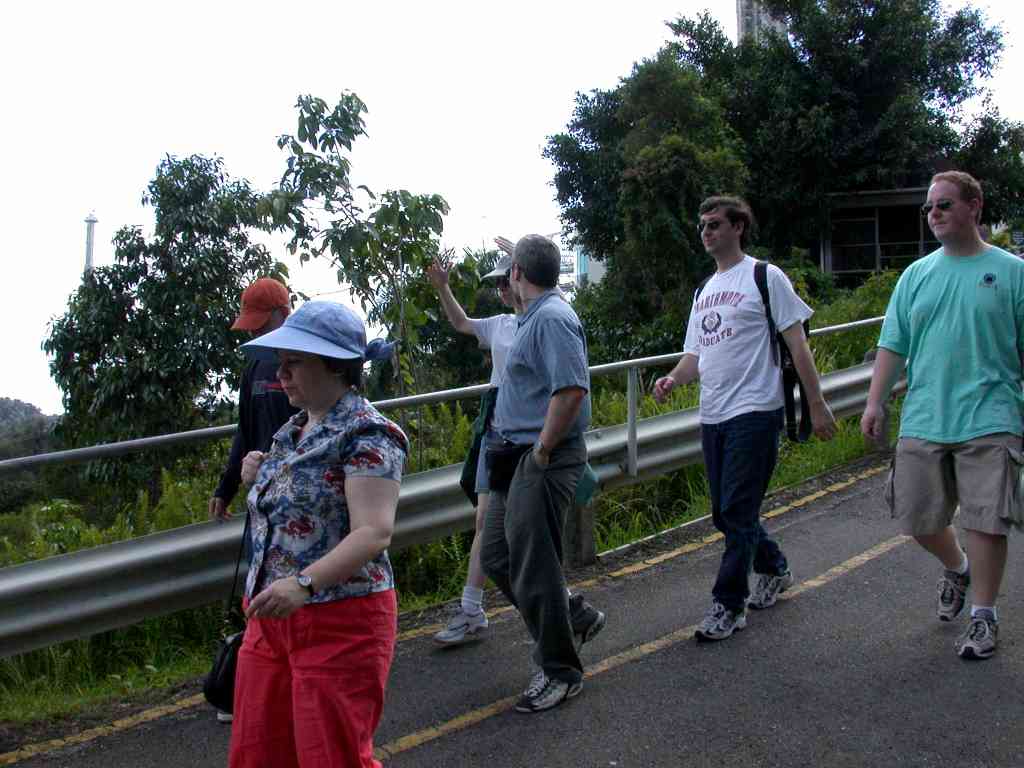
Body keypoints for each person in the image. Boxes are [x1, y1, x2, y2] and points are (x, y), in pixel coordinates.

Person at [228, 301, 408, 768]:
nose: (281, 374)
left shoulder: (370, 434)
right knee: (257, 754)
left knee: (331, 756)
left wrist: (304, 584)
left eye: (294, 362)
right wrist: (257, 473)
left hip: (340, 619)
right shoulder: (292, 430)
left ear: (335, 366)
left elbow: (374, 531)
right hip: (271, 616)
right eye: (280, 362)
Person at [653, 195, 836, 642]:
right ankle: (773, 567)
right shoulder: (703, 291)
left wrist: (816, 404)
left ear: (738, 227)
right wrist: (673, 379)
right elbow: (695, 355)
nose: (706, 232)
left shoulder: (765, 277)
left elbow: (797, 345)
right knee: (726, 513)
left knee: (736, 510)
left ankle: (729, 604)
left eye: (715, 224)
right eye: (703, 225)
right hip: (713, 413)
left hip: (756, 410)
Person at [861, 171, 1024, 660]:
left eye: (944, 205)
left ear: (974, 206)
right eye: (928, 207)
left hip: (992, 414)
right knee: (915, 516)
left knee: (987, 520)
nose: (933, 214)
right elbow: (893, 343)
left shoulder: (1012, 272)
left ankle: (983, 616)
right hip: (925, 415)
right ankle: (958, 567)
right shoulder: (916, 275)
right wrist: (875, 401)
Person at [479, 234, 605, 714]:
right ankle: (571, 614)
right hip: (512, 455)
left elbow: (571, 389)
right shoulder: (531, 314)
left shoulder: (552, 317)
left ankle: (560, 670)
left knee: (533, 564)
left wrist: (543, 450)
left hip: (541, 455)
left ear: (516, 273)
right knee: (497, 556)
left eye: (510, 270)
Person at [209, 277, 298, 723]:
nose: (256, 332)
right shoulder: (256, 367)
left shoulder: (307, 362)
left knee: (296, 590)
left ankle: (290, 680)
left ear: (284, 313)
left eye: (262, 323)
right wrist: (226, 486)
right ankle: (252, 685)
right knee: (259, 589)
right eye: (252, 326)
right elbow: (244, 432)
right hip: (261, 498)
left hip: (302, 499)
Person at [426, 247, 520, 646]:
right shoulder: (501, 324)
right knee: (485, 521)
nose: (502, 289)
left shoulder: (545, 319)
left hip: (527, 433)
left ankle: (558, 605)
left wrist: (524, 256)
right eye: (497, 284)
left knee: (520, 527)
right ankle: (471, 609)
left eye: (506, 279)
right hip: (496, 428)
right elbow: (461, 322)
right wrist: (442, 288)